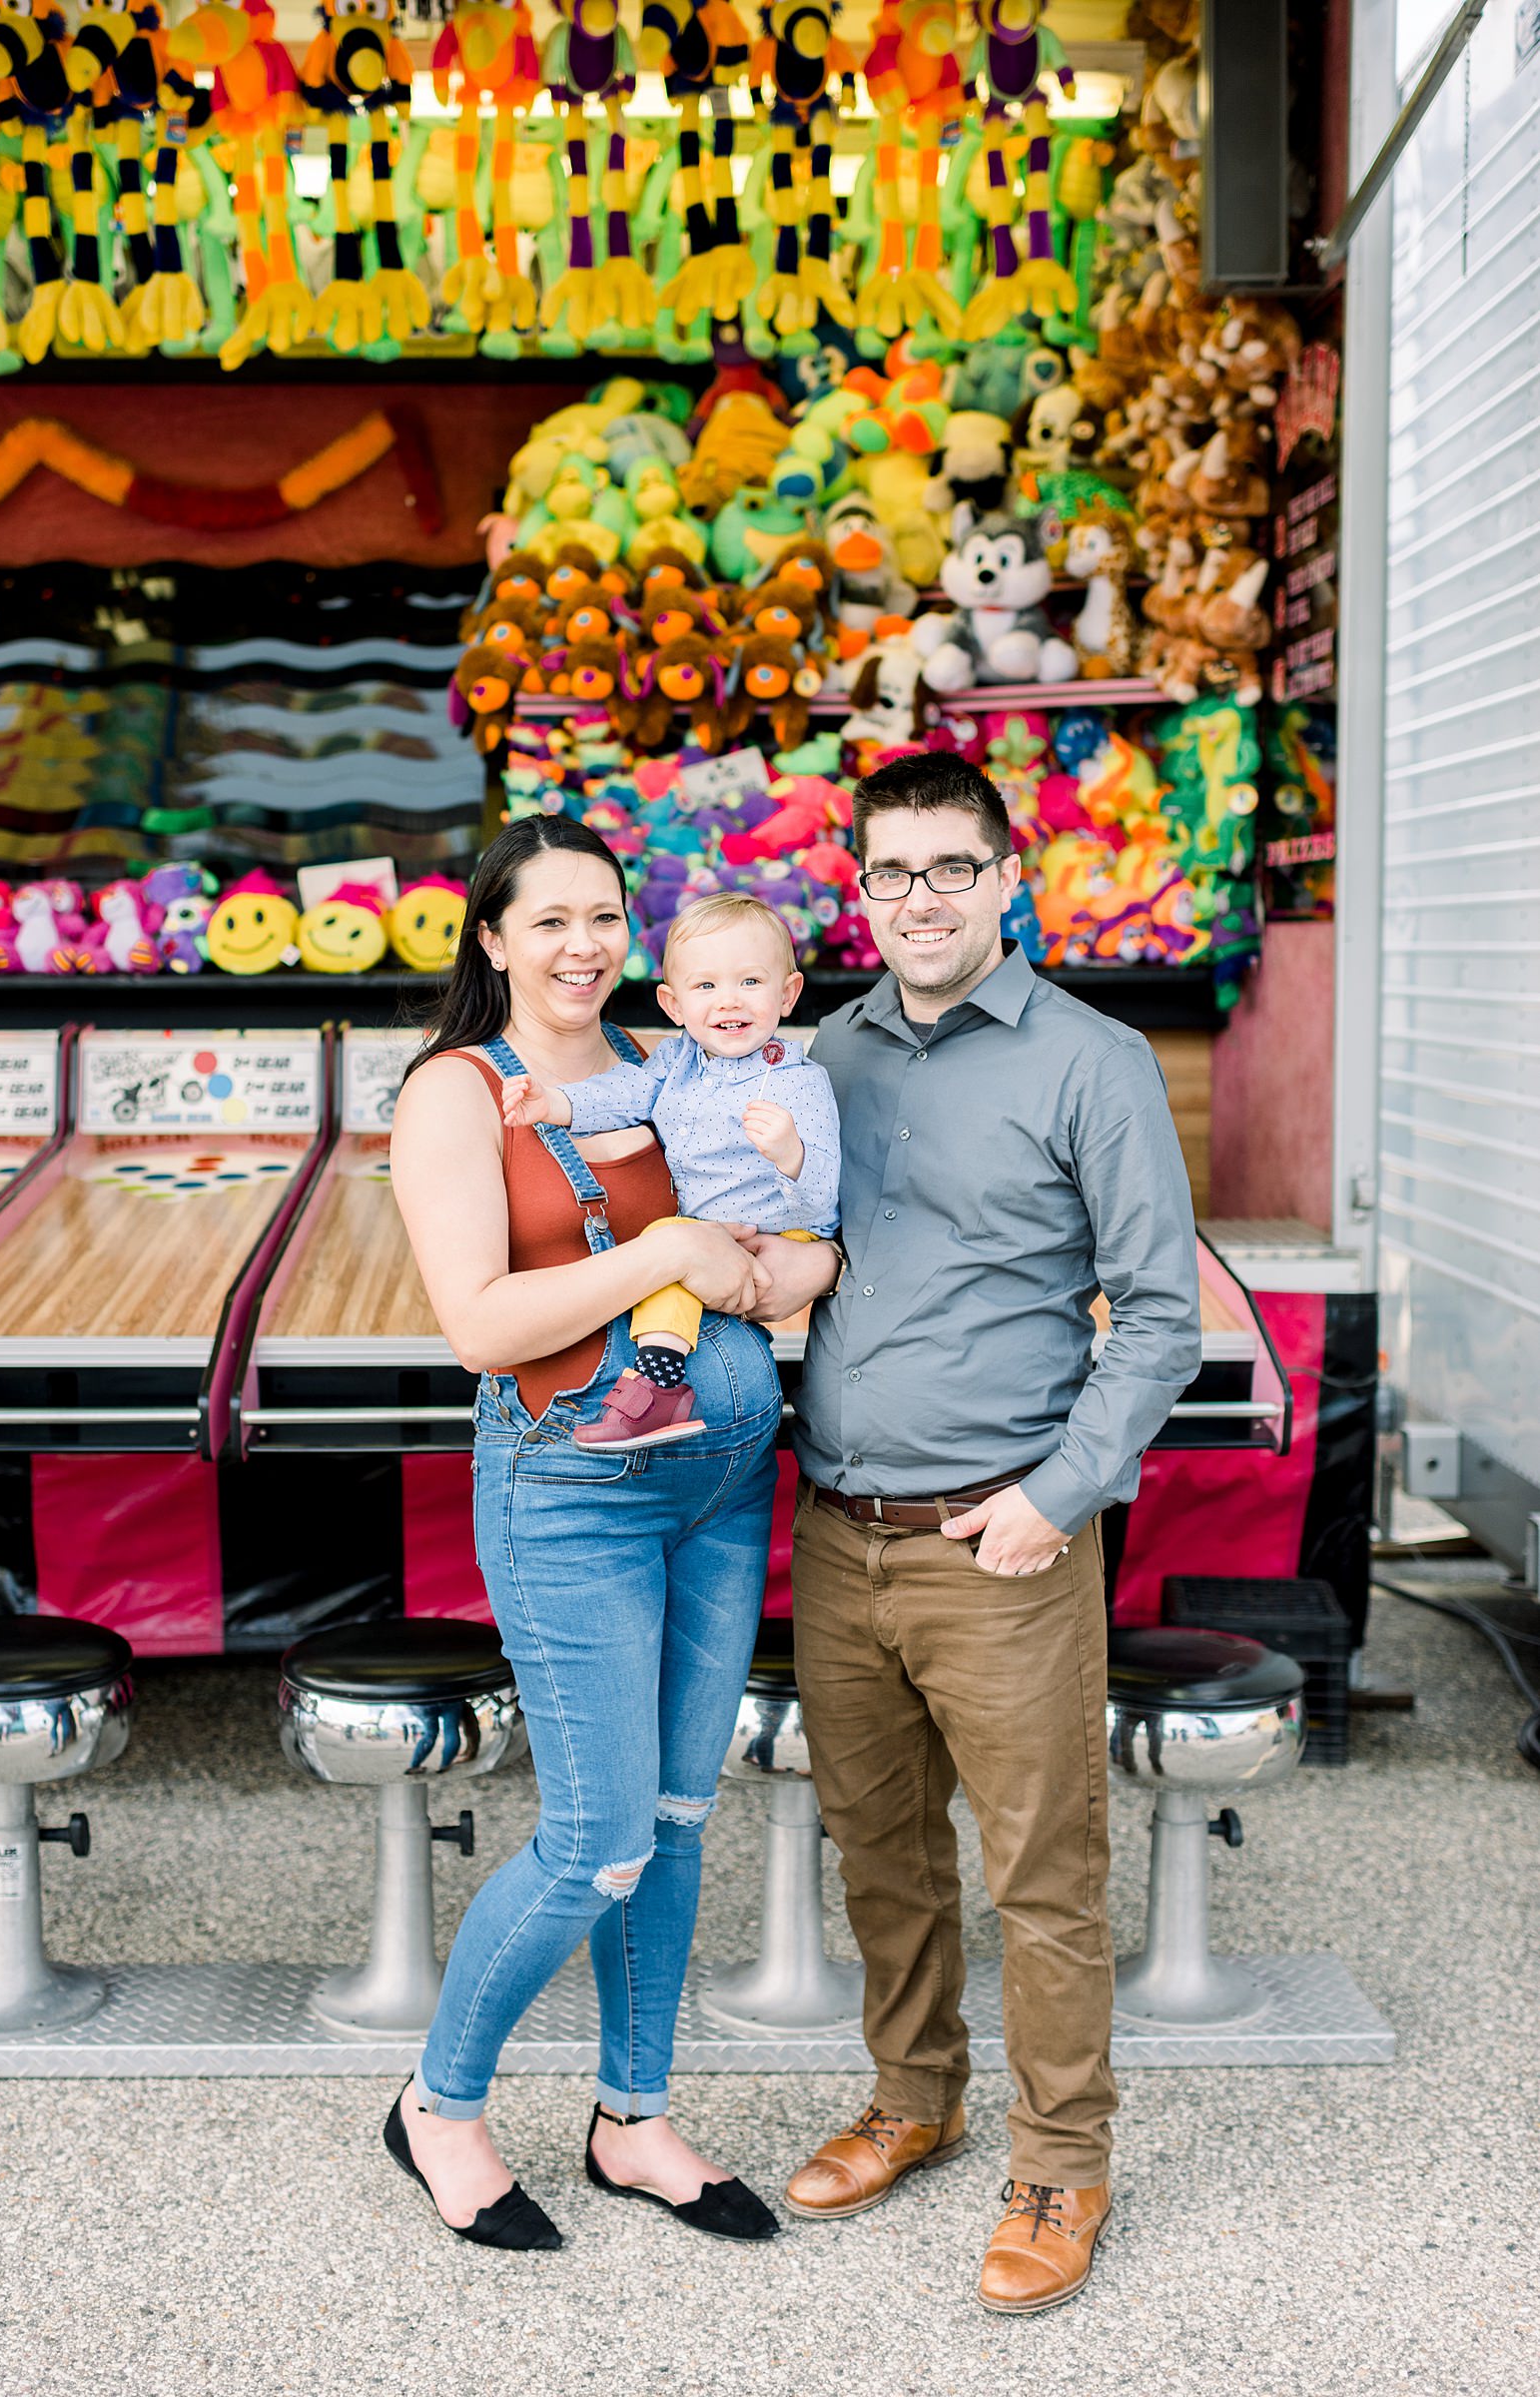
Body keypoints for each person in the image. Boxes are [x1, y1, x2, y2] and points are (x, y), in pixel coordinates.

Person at [779, 752, 1201, 2314]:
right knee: (878, 1850)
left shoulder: (1091, 1061)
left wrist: (1056, 1494)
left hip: (1001, 1537)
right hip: (838, 1528)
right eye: (889, 874)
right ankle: (913, 2095)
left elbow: (1161, 1317)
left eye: (950, 867)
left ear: (1007, 875)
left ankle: (1060, 2164)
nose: (919, 900)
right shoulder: (824, 1054)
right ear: (860, 889)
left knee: (1040, 1872)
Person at [388, 816, 824, 2252]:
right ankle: (441, 2107)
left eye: (604, 919)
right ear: (492, 937)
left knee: (681, 1821)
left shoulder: (670, 1065)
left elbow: (777, 1231)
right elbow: (479, 1325)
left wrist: (790, 1256)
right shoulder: (459, 1093)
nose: (584, 946)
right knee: (594, 1837)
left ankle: (631, 2117)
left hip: (719, 1482)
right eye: (551, 920)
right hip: (569, 1490)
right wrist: (666, 1255)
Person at [501, 890, 840, 1452]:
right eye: (705, 986)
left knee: (663, 1247)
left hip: (779, 1234)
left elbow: (825, 1197)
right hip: (710, 1238)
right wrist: (554, 1105)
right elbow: (624, 1094)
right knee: (669, 1249)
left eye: (750, 983)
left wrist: (791, 1155)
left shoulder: (799, 1081)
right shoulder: (676, 1062)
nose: (728, 1001)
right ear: (674, 1004)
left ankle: (656, 1389)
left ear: (788, 993)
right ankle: (665, 1383)